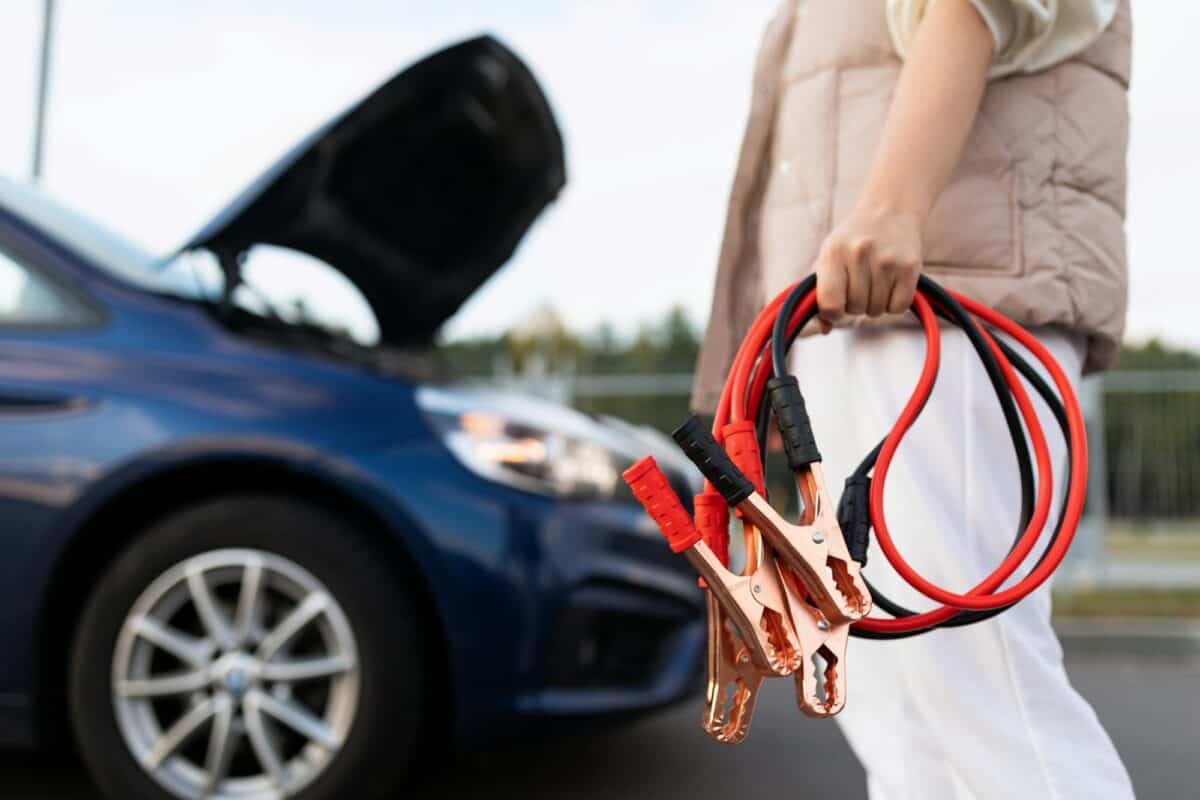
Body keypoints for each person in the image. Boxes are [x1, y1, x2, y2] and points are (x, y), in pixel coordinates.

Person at [692, 1, 1134, 797]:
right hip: (841, 318)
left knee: (981, 702)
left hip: (946, 303)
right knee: (903, 724)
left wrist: (893, 206)